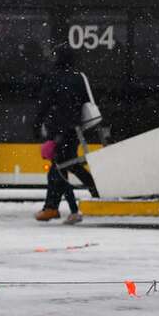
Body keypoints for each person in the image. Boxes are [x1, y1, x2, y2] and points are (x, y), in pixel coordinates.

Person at [36, 48, 97, 223]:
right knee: (66, 165)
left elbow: (44, 104)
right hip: (75, 129)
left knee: (59, 167)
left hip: (59, 129)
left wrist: (37, 124)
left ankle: (53, 208)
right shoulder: (78, 77)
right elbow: (86, 100)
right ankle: (84, 197)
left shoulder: (54, 78)